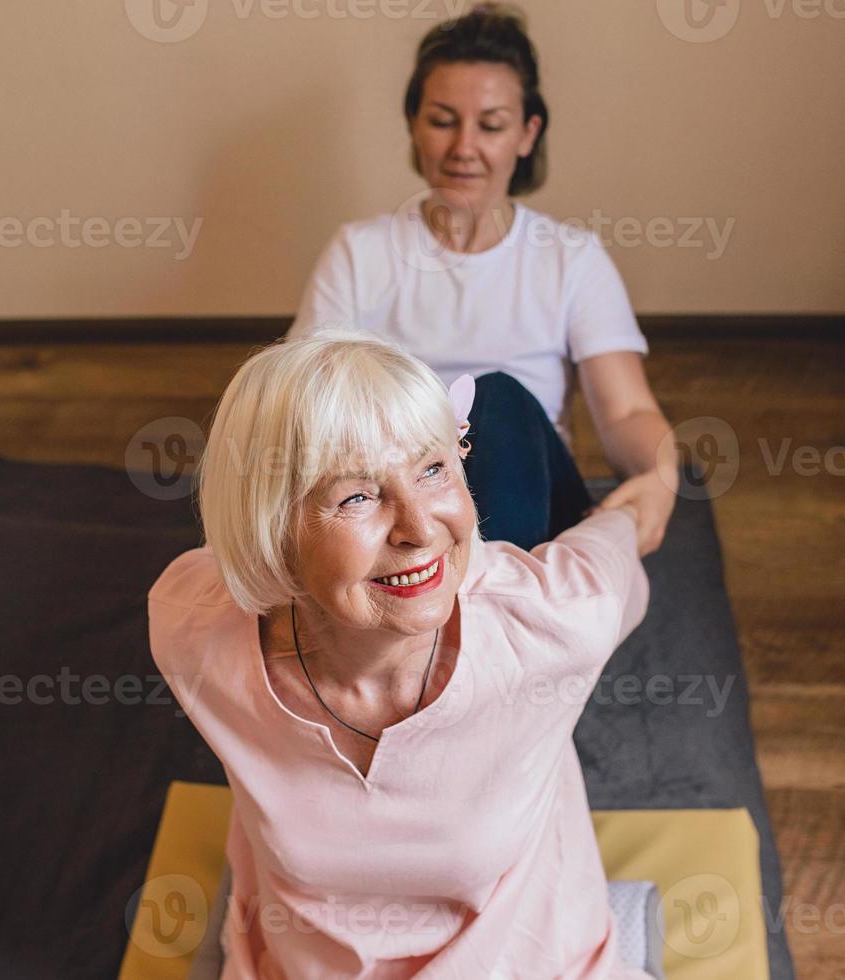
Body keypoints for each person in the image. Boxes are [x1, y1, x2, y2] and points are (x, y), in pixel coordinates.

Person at [148, 332, 654, 977]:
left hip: (519, 953)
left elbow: (617, 552)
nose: (418, 526)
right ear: (272, 529)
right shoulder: (190, 627)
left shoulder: (555, 617)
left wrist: (648, 497)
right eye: (356, 495)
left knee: (500, 407)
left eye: (433, 467)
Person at [288, 3, 678, 555]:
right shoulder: (359, 252)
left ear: (526, 134)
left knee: (491, 401)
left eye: (491, 125)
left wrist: (661, 477)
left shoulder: (572, 258)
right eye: (443, 120)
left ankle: (475, 604)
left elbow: (627, 411)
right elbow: (304, 402)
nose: (464, 147)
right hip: (394, 498)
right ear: (414, 125)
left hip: (527, 506)